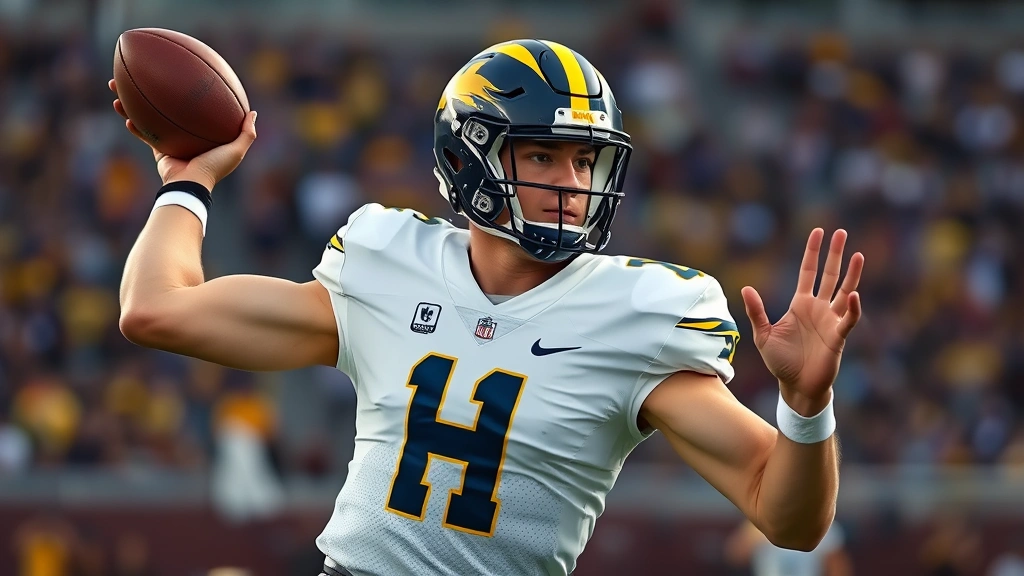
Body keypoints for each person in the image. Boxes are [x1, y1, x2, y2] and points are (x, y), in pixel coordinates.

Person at [110, 38, 864, 576]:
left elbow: (788, 520)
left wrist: (807, 406)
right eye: (542, 156)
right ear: (467, 156)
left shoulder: (635, 315)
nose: (572, 182)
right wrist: (188, 181)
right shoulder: (387, 266)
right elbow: (156, 309)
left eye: (585, 159)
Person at [725, 519, 853, 576]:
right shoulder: (758, 525)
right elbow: (734, 556)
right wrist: (752, 533)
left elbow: (838, 569)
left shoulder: (823, 525)